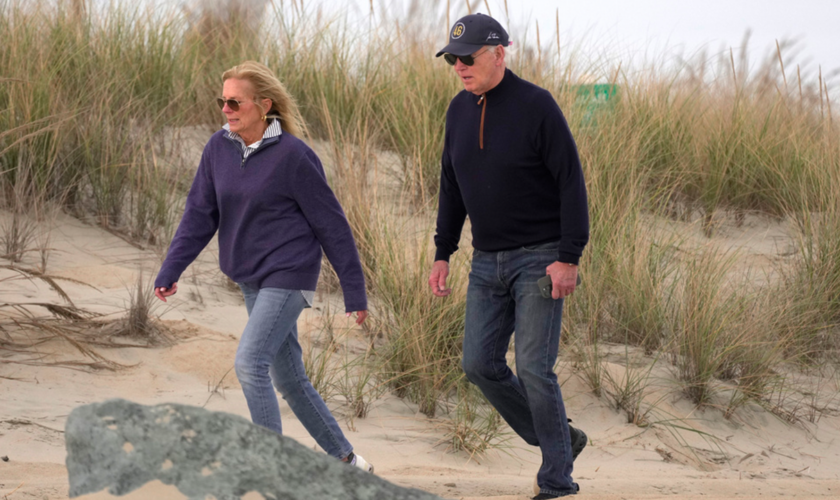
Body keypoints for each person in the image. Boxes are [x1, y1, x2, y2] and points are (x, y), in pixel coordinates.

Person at [154, 61, 373, 473]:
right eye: (223, 101)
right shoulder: (218, 148)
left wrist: (354, 290)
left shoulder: (293, 156)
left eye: (235, 101)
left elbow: (332, 226)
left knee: (250, 362)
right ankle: (347, 461)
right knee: (289, 379)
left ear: (263, 105)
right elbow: (200, 215)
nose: (226, 109)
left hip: (290, 274)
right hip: (250, 278)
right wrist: (172, 268)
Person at [428, 14, 590, 499]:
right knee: (478, 364)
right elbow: (450, 187)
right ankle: (563, 440)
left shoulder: (536, 105)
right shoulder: (457, 110)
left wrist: (569, 256)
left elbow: (570, 181)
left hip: (540, 260)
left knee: (535, 368)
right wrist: (442, 252)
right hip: (485, 262)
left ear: (500, 52)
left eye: (469, 57)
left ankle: (556, 481)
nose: (459, 66)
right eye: (453, 58)